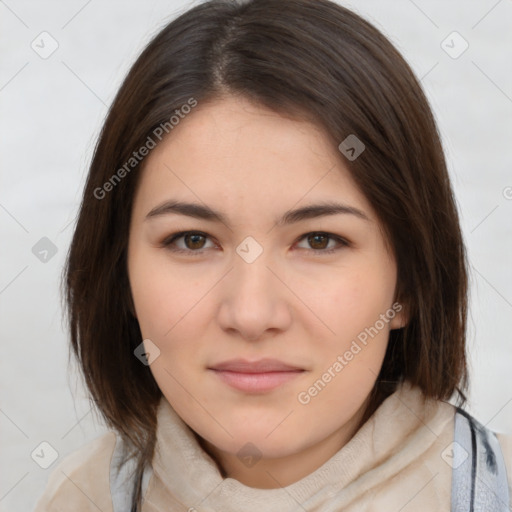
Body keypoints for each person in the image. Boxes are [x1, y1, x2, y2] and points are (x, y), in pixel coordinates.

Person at [34, 0, 512, 510]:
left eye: (319, 240)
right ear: (120, 274)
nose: (251, 314)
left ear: (410, 283)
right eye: (193, 240)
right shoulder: (81, 496)